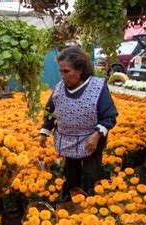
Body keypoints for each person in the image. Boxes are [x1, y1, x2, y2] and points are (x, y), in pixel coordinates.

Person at [39, 46, 118, 199]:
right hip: (67, 139)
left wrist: (96, 135)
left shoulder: (97, 87)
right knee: (71, 170)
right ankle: (72, 195)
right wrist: (45, 131)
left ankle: (90, 200)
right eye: (61, 72)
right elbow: (50, 110)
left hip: (91, 140)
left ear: (80, 69)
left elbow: (109, 115)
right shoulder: (59, 88)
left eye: (66, 71)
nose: (62, 76)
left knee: (90, 173)